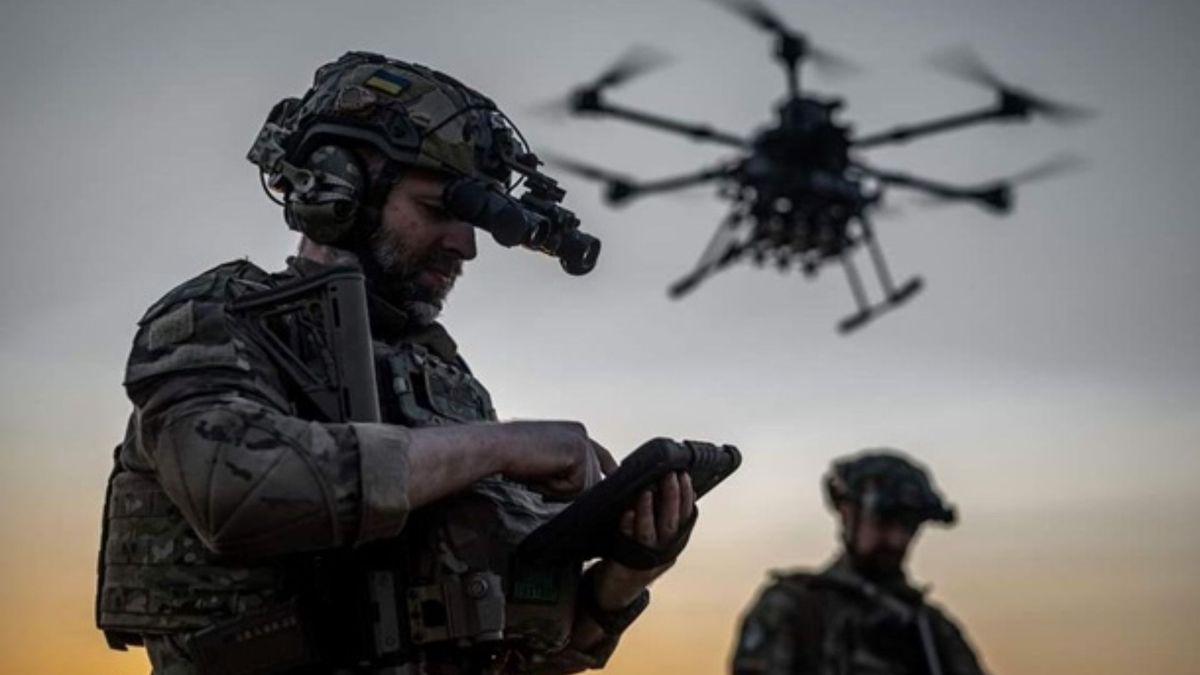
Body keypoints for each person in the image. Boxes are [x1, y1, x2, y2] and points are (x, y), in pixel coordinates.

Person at [96, 51, 696, 675]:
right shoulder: (219, 320)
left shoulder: (445, 381)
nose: (464, 246)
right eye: (439, 210)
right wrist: (508, 446)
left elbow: (508, 656)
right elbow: (239, 493)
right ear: (338, 190)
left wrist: (625, 575)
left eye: (474, 221)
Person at [731, 451, 987, 675]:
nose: (896, 539)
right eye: (885, 521)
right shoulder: (793, 609)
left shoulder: (930, 629)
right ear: (847, 513)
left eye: (908, 526)